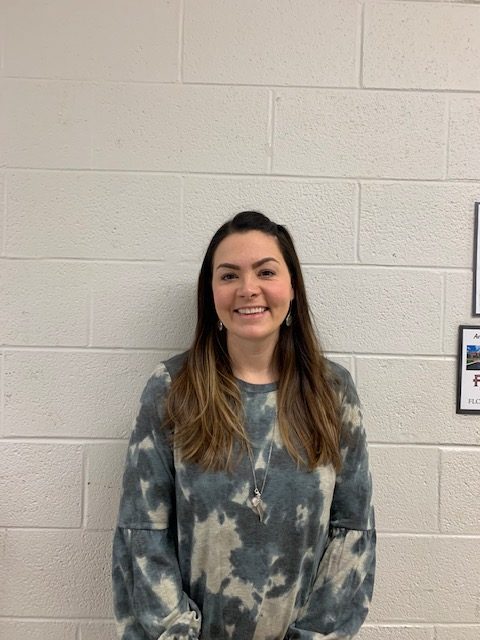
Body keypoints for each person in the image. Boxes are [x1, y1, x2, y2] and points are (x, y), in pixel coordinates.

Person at [112, 211, 376, 640]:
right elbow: (142, 532)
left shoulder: (332, 392)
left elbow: (353, 532)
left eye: (266, 272)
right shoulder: (173, 388)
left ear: (292, 287)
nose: (248, 289)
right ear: (211, 292)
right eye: (229, 275)